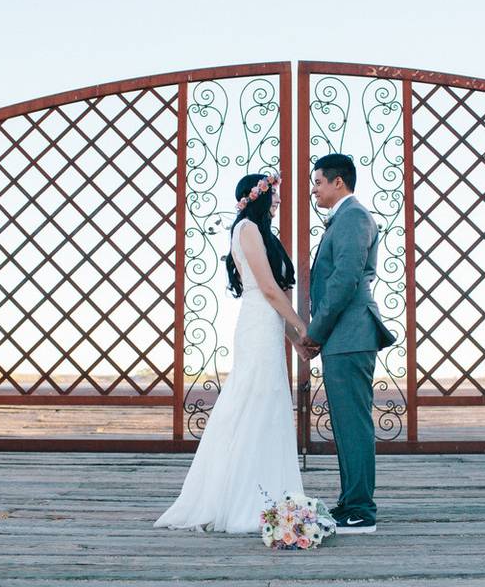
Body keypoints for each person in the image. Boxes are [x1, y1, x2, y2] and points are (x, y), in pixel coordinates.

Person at [153, 172, 306, 533]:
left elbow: (279, 293)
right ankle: (237, 497)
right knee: (251, 403)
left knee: (269, 405)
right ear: (257, 196)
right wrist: (301, 325)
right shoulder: (245, 230)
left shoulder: (266, 235)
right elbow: (268, 289)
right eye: (275, 194)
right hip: (255, 327)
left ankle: (269, 492)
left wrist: (296, 340)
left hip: (270, 328)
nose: (279, 200)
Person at [299, 153, 397, 535]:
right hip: (344, 336)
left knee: (353, 424)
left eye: (318, 182)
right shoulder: (343, 219)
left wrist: (315, 331)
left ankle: (361, 511)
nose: (314, 189)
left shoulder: (354, 217)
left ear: (338, 182)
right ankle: (350, 503)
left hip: (351, 333)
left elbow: (345, 279)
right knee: (344, 423)